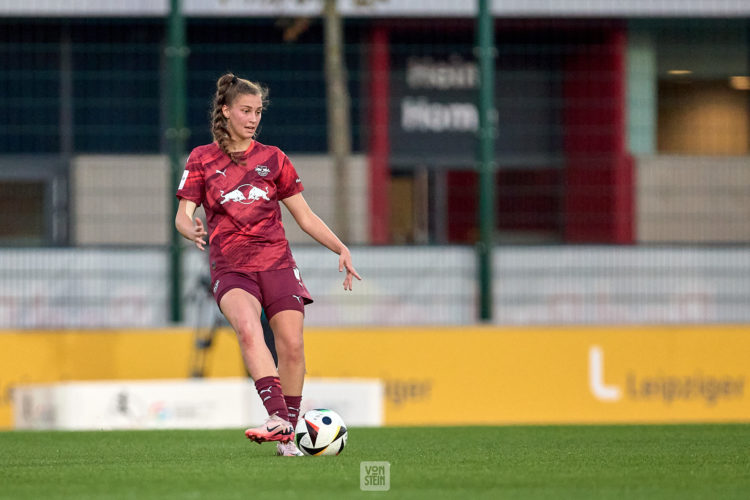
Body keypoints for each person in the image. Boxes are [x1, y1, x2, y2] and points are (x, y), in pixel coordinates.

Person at [175, 73, 361, 456]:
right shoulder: (201, 159)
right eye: (245, 110)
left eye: (258, 111)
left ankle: (288, 437)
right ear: (225, 111)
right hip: (231, 267)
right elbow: (182, 214)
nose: (253, 118)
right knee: (247, 329)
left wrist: (340, 247)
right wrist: (188, 228)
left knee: (292, 346)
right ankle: (278, 419)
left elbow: (305, 217)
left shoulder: (275, 159)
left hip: (277, 262)